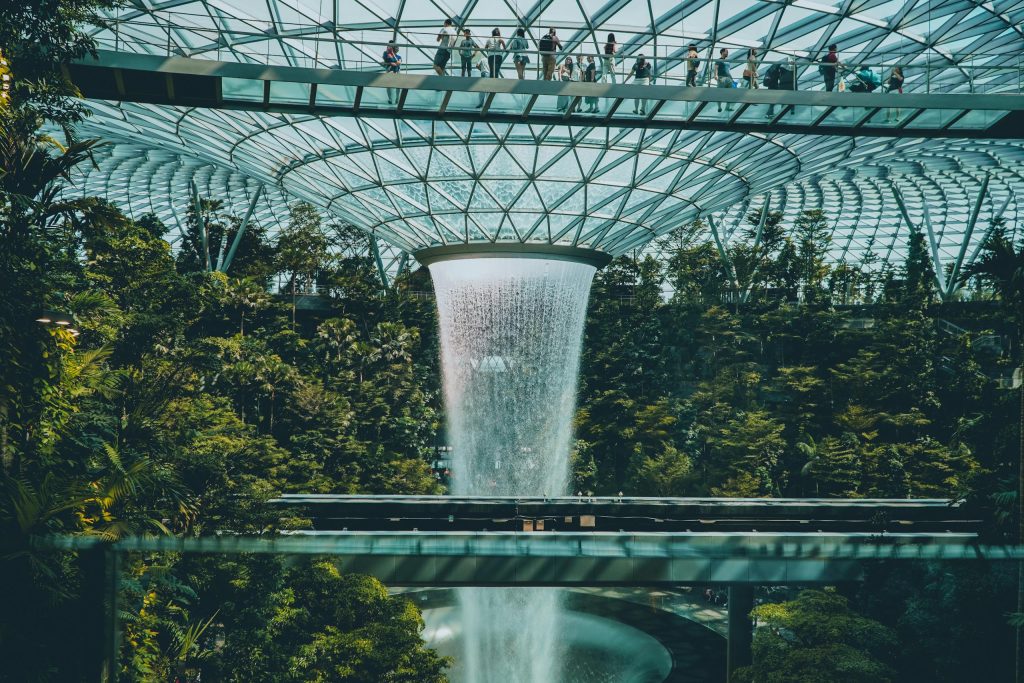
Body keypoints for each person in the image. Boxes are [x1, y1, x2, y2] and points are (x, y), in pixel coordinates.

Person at [381, 40, 402, 104]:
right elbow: (386, 61)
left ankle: (397, 98)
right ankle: (390, 98)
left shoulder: (398, 56)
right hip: (390, 71)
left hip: (396, 71)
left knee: (398, 85)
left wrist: (390, 63)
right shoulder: (386, 53)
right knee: (388, 85)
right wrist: (391, 63)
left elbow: (398, 63)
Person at [714, 47, 734, 112]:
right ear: (722, 52)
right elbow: (716, 68)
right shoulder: (719, 60)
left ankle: (727, 107)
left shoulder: (728, 62)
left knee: (730, 93)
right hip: (721, 77)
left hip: (728, 78)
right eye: (726, 52)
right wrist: (716, 75)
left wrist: (732, 79)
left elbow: (728, 71)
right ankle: (719, 107)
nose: (727, 53)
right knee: (720, 93)